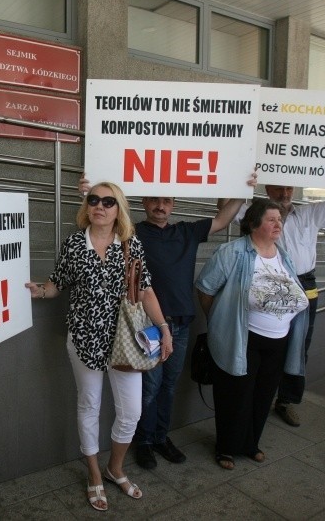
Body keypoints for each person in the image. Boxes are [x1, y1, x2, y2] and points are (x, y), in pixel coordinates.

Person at [79, 173, 257, 469]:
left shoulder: (187, 231)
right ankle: (145, 441)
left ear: (173, 204)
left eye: (166, 200)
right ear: (144, 202)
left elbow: (223, 219)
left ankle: (161, 437)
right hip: (146, 326)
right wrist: (86, 194)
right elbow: (96, 224)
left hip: (181, 325)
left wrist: (241, 189)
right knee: (149, 389)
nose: (160, 206)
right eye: (154, 200)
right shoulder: (130, 233)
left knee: (168, 387)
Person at [25, 181, 173, 512]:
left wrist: (164, 328)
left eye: (108, 201)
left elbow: (146, 290)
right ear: (87, 206)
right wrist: (41, 291)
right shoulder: (74, 245)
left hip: (125, 342)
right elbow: (57, 284)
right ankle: (93, 471)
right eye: (94, 200)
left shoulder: (130, 245)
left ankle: (114, 468)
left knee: (131, 411)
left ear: (118, 209)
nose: (100, 206)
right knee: (89, 404)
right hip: (84, 338)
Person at [221, 169, 325, 426]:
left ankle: (287, 400)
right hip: (265, 283)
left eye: (289, 188)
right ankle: (254, 395)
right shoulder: (255, 215)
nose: (284, 193)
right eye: (278, 188)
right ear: (267, 189)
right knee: (259, 343)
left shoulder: (309, 214)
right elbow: (224, 207)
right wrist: (238, 178)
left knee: (299, 344)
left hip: (304, 285)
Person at [196, 199, 309, 470]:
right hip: (243, 338)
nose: (278, 224)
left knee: (263, 395)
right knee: (234, 395)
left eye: (279, 220)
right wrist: (222, 320)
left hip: (278, 340)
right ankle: (226, 447)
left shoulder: (283, 254)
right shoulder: (232, 253)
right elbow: (205, 289)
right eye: (271, 220)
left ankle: (250, 444)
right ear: (254, 224)